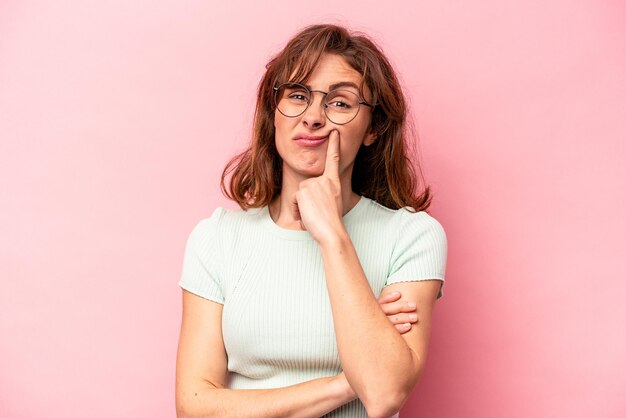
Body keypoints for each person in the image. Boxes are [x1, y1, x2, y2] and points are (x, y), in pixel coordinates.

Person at [175, 24, 447, 418]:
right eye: (298, 96)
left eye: (340, 103)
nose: (313, 117)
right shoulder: (216, 238)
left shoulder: (411, 237)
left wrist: (334, 237)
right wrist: (349, 381)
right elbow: (195, 408)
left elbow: (385, 395)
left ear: (373, 129)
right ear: (275, 114)